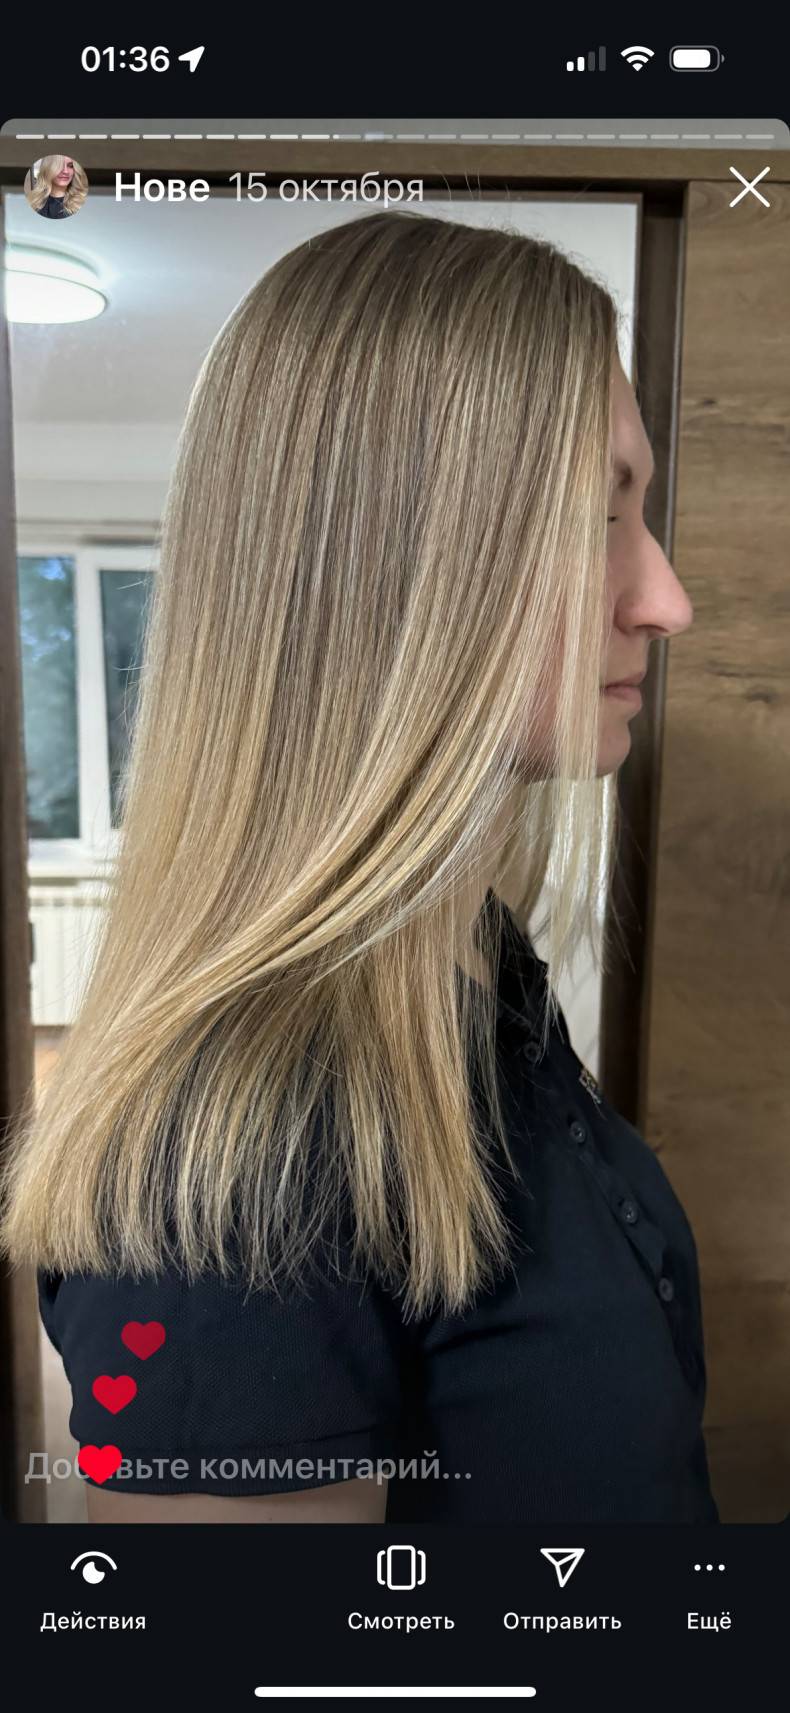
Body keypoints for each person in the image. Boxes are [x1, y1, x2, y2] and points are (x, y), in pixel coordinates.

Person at [0, 210, 716, 1526]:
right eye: (592, 515)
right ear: (387, 565)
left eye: (640, 512)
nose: (663, 600)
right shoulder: (238, 1146)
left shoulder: (481, 970)